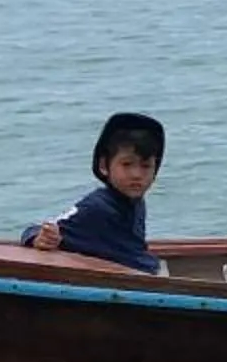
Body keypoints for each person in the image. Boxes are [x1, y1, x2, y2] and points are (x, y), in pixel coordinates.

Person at [23, 112, 166, 274]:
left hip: (136, 273)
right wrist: (40, 238)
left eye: (145, 166)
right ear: (104, 166)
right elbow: (38, 230)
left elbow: (133, 251)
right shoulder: (97, 207)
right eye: (126, 164)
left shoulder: (136, 203)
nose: (136, 174)